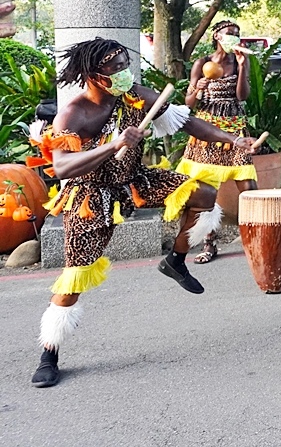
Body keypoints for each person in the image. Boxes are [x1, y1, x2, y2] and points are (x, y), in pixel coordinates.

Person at [27, 38, 256, 388]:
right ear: (92, 74)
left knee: (203, 193)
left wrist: (230, 138)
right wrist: (114, 144)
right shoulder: (74, 114)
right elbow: (61, 167)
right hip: (91, 196)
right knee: (77, 274)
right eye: (114, 68)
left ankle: (175, 261)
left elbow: (188, 122)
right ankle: (49, 353)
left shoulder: (135, 95)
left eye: (124, 64)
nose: (123, 73)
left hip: (134, 180)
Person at [177, 20, 258, 263]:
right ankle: (209, 244)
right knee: (206, 190)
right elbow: (188, 102)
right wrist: (198, 88)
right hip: (207, 130)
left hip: (235, 127)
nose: (234, 38)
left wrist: (243, 67)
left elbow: (242, 96)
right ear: (217, 36)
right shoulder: (203, 63)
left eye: (237, 35)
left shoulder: (240, 61)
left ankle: (255, 237)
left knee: (249, 187)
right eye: (229, 34)